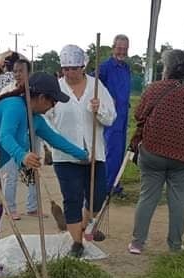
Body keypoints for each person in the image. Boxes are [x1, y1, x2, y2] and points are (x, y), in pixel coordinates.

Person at [0, 72, 89, 278]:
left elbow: (54, 138)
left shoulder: (35, 118)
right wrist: (22, 156)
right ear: (39, 97)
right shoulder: (14, 105)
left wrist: (82, 155)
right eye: (52, 100)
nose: (53, 106)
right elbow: (6, 136)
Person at [128, 49, 184, 255]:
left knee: (148, 196)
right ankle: (175, 245)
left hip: (152, 152)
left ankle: (137, 243)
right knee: (179, 200)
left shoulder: (153, 89)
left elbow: (139, 115)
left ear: (165, 68)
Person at [47, 44, 116, 258]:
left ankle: (85, 227)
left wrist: (99, 110)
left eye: (74, 68)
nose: (70, 73)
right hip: (65, 156)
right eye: (66, 69)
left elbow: (111, 117)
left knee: (97, 196)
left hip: (94, 153)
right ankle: (76, 242)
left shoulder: (96, 87)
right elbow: (46, 120)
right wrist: (52, 145)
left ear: (82, 67)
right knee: (72, 198)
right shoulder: (56, 89)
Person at [0, 58, 38, 220]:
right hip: (12, 141)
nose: (17, 74)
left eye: (21, 71)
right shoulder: (6, 92)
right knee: (11, 175)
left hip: (31, 136)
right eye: (15, 71)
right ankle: (10, 208)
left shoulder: (35, 91)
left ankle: (33, 207)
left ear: (28, 72)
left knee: (33, 173)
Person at [98, 34, 131, 197]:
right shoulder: (105, 67)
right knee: (112, 151)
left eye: (125, 49)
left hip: (124, 114)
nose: (122, 51)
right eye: (119, 48)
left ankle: (115, 184)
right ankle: (107, 187)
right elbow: (94, 86)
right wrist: (106, 100)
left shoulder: (126, 67)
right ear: (113, 47)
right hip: (111, 116)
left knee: (120, 152)